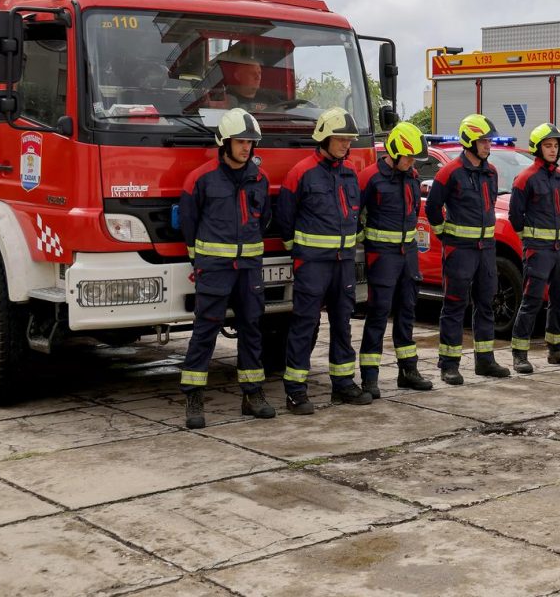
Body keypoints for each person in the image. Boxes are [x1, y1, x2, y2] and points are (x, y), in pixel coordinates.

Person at [177, 108, 275, 429]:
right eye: (241, 141)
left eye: (251, 142)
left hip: (248, 270)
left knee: (251, 329)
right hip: (214, 270)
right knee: (204, 331)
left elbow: (265, 220)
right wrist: (201, 262)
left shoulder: (260, 179)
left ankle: (253, 395)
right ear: (225, 142)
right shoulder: (201, 179)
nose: (247, 147)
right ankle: (194, 398)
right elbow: (189, 225)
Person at [276, 107, 370, 413]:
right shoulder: (301, 173)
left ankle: (343, 384)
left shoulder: (349, 172)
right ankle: (296, 392)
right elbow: (285, 218)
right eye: (341, 139)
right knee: (305, 325)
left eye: (349, 139)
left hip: (342, 264)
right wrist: (300, 254)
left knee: (343, 323)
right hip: (313, 264)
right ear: (324, 138)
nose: (346, 144)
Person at [425, 114, 510, 384]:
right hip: (459, 251)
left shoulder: (492, 172)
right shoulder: (449, 172)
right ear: (469, 141)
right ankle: (449, 364)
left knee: (486, 304)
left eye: (488, 141)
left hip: (486, 250)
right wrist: (444, 235)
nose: (488, 145)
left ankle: (485, 361)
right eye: (483, 141)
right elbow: (432, 208)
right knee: (454, 305)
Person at [357, 121, 434, 396]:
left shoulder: (412, 176)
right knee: (378, 314)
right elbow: (355, 214)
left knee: (407, 313)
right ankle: (369, 377)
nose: (412, 162)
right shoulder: (370, 178)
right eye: (409, 157)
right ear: (394, 150)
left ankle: (408, 371)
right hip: (382, 257)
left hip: (407, 255)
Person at [508, 123, 560, 372]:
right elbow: (515, 216)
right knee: (531, 300)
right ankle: (520, 353)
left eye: (556, 146)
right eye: (548, 146)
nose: (553, 150)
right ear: (537, 148)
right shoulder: (525, 178)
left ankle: (557, 349)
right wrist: (529, 240)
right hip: (538, 250)